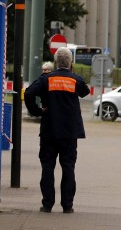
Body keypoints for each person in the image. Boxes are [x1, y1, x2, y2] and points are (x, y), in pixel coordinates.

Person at [24, 46, 89, 214]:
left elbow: (29, 93)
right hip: (69, 132)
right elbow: (85, 91)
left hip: (49, 130)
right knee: (68, 167)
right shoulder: (75, 80)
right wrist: (72, 73)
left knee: (48, 166)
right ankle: (67, 205)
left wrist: (37, 111)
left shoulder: (46, 79)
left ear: (55, 62)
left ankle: (47, 204)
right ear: (71, 63)